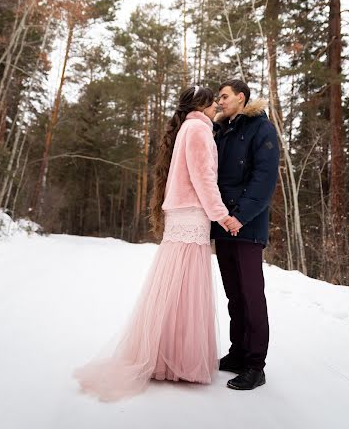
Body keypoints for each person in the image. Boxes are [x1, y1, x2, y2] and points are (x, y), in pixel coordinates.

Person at [73, 86, 236, 401]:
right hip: (192, 213)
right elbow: (204, 178)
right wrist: (221, 214)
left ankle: (165, 357)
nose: (218, 106)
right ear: (202, 105)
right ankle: (180, 361)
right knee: (186, 287)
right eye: (214, 101)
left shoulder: (187, 129)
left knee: (175, 288)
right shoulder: (200, 130)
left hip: (181, 213)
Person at [211, 79, 279, 391]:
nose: (219, 101)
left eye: (224, 96)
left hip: (247, 226)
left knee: (252, 297)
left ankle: (255, 365)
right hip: (224, 224)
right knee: (234, 297)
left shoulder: (261, 128)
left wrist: (240, 217)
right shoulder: (221, 130)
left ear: (241, 97)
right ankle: (237, 353)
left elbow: (263, 180)